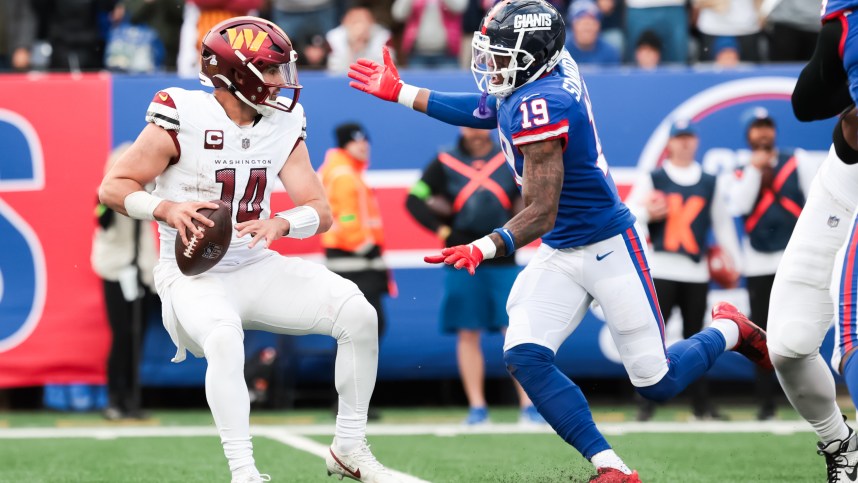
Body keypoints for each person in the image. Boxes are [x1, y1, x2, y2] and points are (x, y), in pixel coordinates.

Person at [348, 1, 771, 480]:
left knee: (657, 382)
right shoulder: (542, 71)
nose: (490, 64)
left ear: (533, 56)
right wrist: (401, 91)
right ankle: (611, 466)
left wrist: (482, 246)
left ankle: (731, 330)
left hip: (607, 244)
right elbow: (489, 108)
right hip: (563, 249)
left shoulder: (545, 103)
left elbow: (541, 213)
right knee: (524, 355)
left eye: (502, 55)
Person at [99, 16, 399, 483]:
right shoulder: (183, 113)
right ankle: (244, 472)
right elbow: (113, 188)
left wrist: (281, 221)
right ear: (238, 74)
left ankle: (350, 448)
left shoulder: (283, 121)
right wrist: (167, 208)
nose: (283, 80)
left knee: (359, 315)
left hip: (254, 262)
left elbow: (320, 211)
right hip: (192, 273)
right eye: (273, 69)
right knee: (222, 337)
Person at [761, 1, 858, 480]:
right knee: (790, 342)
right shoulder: (848, 19)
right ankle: (841, 443)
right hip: (846, 188)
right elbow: (808, 101)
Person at [404, 126, 544, 426]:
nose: (476, 132)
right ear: (460, 127)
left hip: (503, 254)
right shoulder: (445, 160)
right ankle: (477, 408)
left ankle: (528, 406)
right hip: (461, 255)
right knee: (468, 332)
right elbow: (415, 198)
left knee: (516, 330)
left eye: (481, 126)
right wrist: (443, 230)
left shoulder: (509, 157)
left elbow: (532, 198)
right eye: (470, 125)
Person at [625, 119, 741, 422]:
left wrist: (734, 261)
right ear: (670, 143)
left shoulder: (708, 180)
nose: (685, 143)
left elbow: (722, 223)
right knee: (651, 338)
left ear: (696, 142)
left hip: (695, 271)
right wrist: (647, 212)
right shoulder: (655, 178)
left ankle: (701, 405)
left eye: (689, 137)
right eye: (680, 138)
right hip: (661, 268)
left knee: (697, 340)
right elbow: (627, 212)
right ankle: (645, 404)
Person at [728, 107, 819, 421]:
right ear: (748, 135)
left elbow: (814, 203)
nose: (763, 133)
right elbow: (739, 205)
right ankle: (765, 403)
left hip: (793, 259)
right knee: (762, 336)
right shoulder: (740, 170)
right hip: (758, 264)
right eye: (757, 128)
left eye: (767, 127)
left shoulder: (798, 160)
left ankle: (805, 399)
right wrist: (755, 170)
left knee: (800, 328)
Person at [92, 142, 160, 421]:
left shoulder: (148, 195)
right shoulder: (103, 197)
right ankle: (114, 398)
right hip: (117, 273)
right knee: (122, 335)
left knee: (137, 337)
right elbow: (103, 220)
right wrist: (117, 192)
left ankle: (132, 399)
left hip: (142, 274)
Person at [319, 122, 392, 345]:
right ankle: (351, 379)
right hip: (355, 262)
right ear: (344, 144)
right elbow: (347, 217)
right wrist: (366, 248)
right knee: (364, 327)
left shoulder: (346, 171)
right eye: (355, 141)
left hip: (354, 261)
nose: (363, 145)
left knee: (354, 329)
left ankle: (349, 378)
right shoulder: (343, 175)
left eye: (364, 140)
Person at [563, 0, 620, 67]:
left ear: (598, 26)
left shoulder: (610, 52)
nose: (588, 28)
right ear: (573, 25)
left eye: (592, 23)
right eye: (583, 23)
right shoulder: (561, 52)